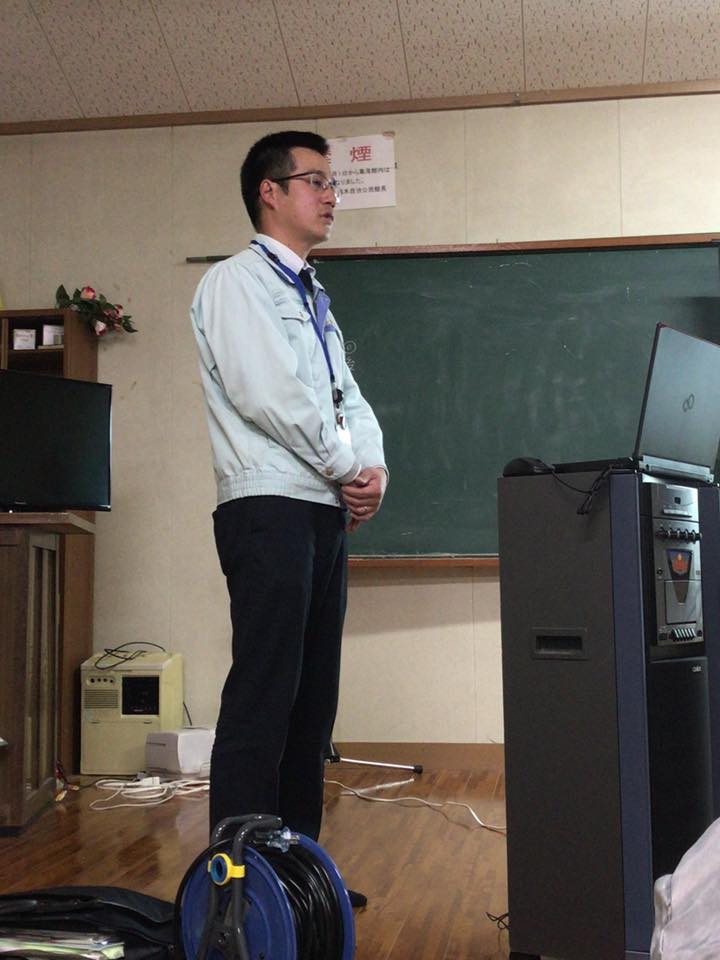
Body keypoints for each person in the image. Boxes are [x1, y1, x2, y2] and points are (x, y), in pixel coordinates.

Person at [190, 131, 387, 895]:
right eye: (316, 180)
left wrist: (373, 470)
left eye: (333, 182)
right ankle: (239, 886)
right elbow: (269, 395)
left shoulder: (313, 297)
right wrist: (346, 468)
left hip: (319, 512)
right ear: (268, 192)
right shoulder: (235, 283)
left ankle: (298, 885)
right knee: (264, 697)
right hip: (267, 506)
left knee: (312, 706)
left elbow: (348, 399)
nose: (332, 195)